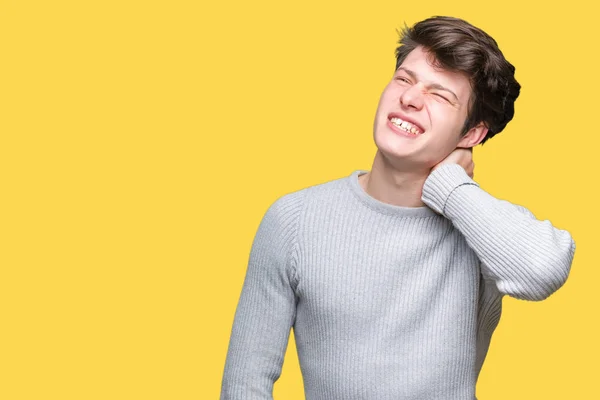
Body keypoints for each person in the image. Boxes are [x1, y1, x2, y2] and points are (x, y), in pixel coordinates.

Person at [219, 15, 576, 400]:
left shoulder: (481, 228)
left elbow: (543, 269)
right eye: (404, 79)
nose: (409, 98)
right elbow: (244, 385)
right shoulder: (294, 220)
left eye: (440, 95)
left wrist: (453, 189)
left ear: (472, 133)